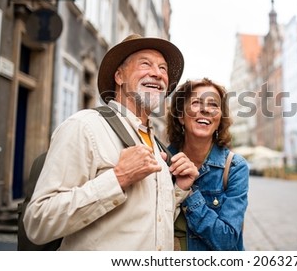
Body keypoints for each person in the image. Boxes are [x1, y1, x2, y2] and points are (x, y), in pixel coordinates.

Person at [23, 34, 199, 250]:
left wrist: (179, 190)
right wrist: (118, 178)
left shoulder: (157, 145)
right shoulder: (84, 126)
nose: (157, 73)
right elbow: (38, 222)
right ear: (119, 76)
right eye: (145, 64)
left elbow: (149, 224)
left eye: (163, 69)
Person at [166, 78, 250, 251]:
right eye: (196, 102)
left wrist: (188, 193)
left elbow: (227, 241)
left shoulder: (235, 167)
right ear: (181, 116)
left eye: (213, 105)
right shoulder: (162, 161)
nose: (205, 109)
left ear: (219, 118)